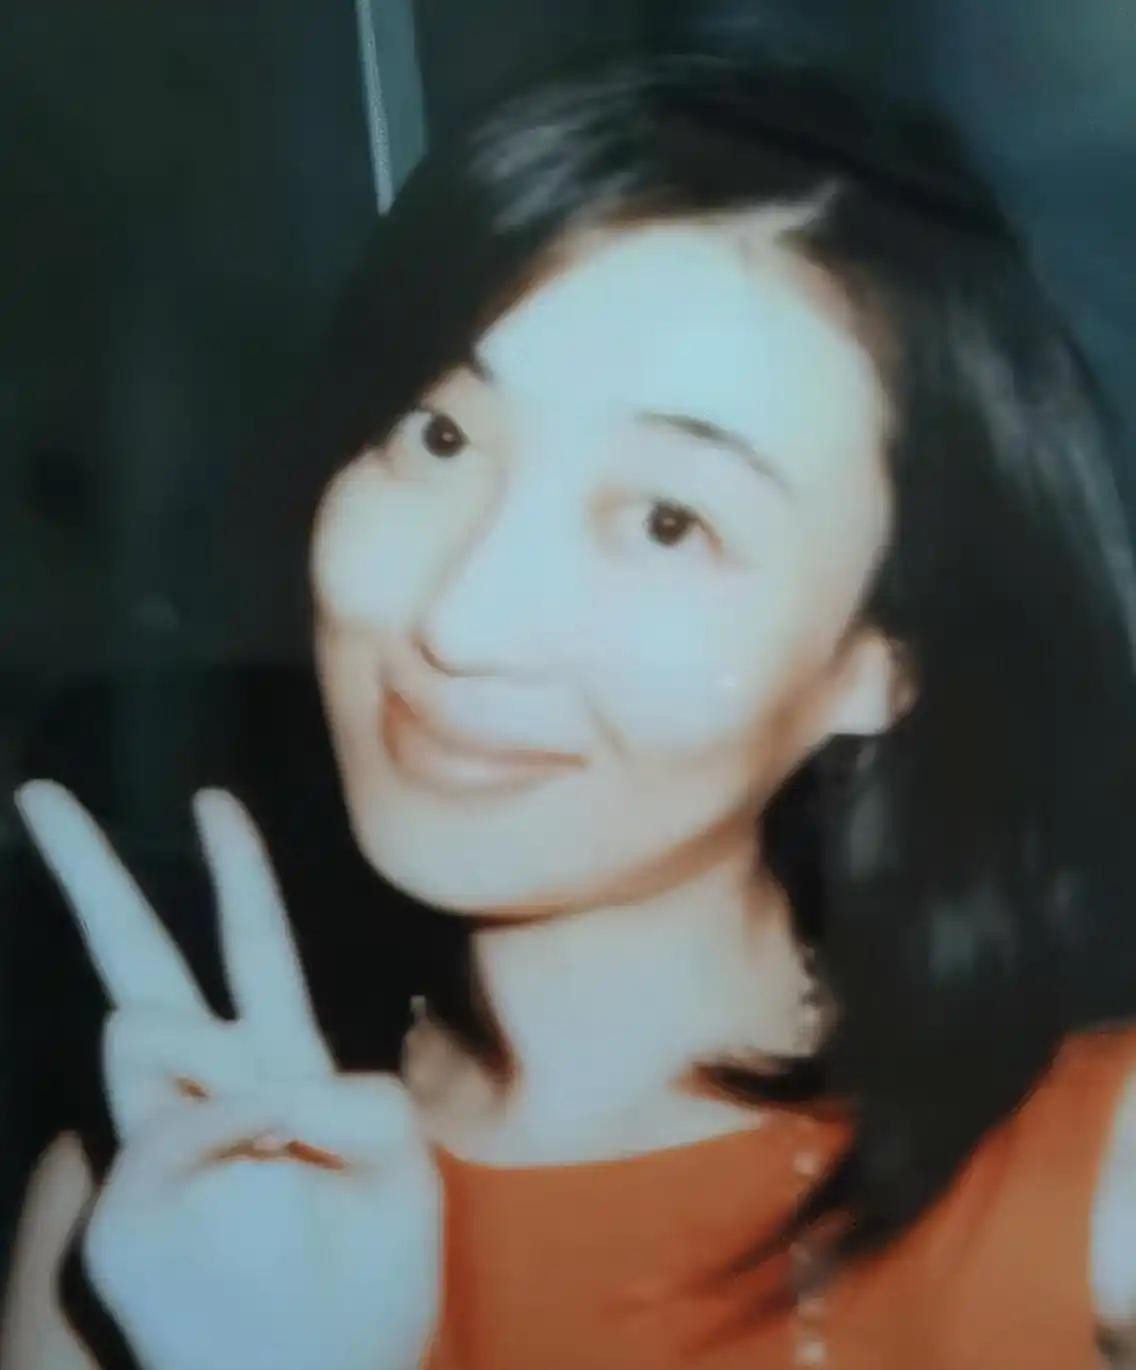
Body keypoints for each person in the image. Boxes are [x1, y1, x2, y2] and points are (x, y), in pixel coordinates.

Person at [5, 50, 1136, 1370]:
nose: (460, 617)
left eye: (667, 521)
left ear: (881, 664)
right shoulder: (157, 1219)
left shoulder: (1096, 1188)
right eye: (439, 437)